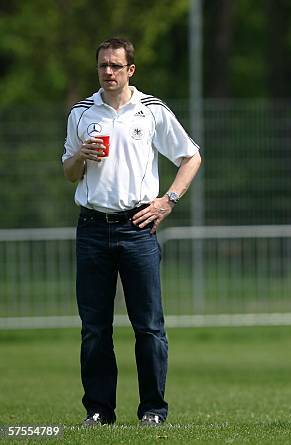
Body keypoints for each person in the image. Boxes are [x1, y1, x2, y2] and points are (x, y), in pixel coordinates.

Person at [62, 38, 201, 426]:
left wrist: (167, 200)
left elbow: (191, 156)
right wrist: (79, 157)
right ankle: (98, 411)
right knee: (94, 329)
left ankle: (153, 410)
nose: (108, 72)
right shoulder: (81, 113)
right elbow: (68, 172)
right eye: (103, 65)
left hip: (138, 227)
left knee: (149, 327)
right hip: (92, 227)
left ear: (130, 70)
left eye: (116, 66)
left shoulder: (151, 110)